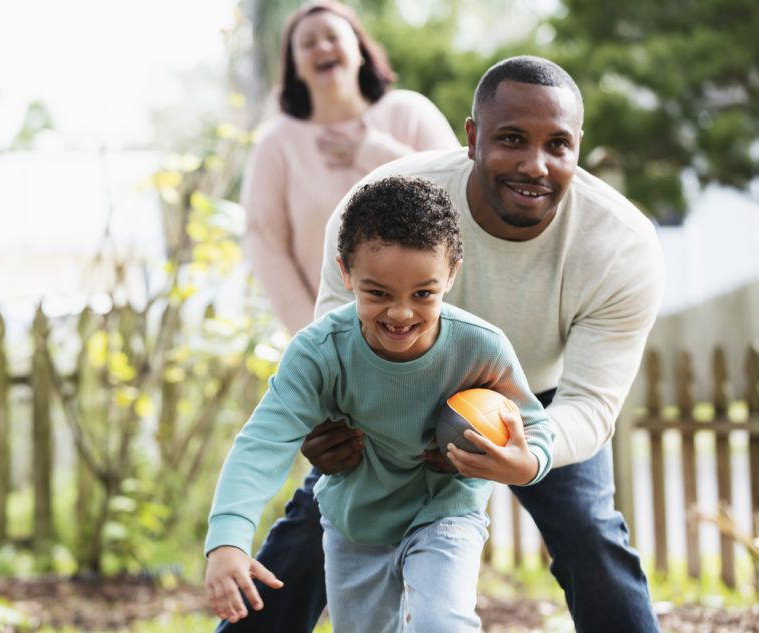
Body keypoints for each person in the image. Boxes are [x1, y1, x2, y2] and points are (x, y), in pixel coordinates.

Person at [305, 56, 666, 632]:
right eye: (512, 139)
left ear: (578, 147)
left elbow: (592, 405)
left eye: (558, 145)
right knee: (314, 522)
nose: (535, 165)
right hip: (391, 389)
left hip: (535, 407)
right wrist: (326, 422)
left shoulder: (620, 246)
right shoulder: (383, 205)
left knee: (591, 534)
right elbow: (336, 339)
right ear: (472, 137)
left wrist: (531, 456)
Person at [205, 175, 554, 633]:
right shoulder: (319, 353)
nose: (401, 313)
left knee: (441, 623)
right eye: (378, 293)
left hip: (446, 510)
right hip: (356, 524)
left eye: (423, 293)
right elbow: (263, 441)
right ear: (346, 273)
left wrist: (525, 466)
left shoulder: (480, 348)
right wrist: (227, 540)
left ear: (451, 274)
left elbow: (537, 429)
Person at [240, 0, 459, 336]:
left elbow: (459, 199)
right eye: (308, 43)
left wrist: (372, 152)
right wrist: (315, 335)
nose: (322, 47)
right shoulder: (277, 143)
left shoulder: (410, 112)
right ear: (295, 65)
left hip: (432, 332)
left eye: (332, 36)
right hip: (336, 342)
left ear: (359, 49)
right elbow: (264, 245)